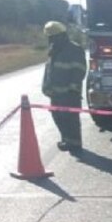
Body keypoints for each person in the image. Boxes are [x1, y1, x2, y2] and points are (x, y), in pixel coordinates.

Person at [41, 21, 87, 153]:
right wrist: (46, 87)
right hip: (55, 94)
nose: (50, 40)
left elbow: (79, 70)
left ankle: (75, 144)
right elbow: (49, 70)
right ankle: (67, 140)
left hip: (69, 94)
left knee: (71, 120)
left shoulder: (75, 49)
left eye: (52, 37)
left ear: (61, 36)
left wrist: (73, 89)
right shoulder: (54, 50)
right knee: (58, 117)